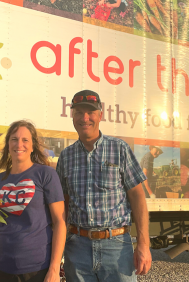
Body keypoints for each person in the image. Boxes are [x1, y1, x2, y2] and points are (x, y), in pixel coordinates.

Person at [56, 90, 151, 282]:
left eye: (90, 112)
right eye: (79, 112)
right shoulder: (66, 157)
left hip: (116, 247)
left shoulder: (119, 149)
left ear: (100, 114)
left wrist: (143, 244)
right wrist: (57, 253)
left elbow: (137, 197)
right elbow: (62, 207)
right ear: (72, 116)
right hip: (77, 248)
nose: (85, 118)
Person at [0, 120, 66, 282]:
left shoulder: (46, 174)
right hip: (2, 268)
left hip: (36, 269)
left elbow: (60, 222)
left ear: (33, 146)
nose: (19, 144)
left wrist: (54, 269)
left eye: (25, 140)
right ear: (7, 145)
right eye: (14, 139)